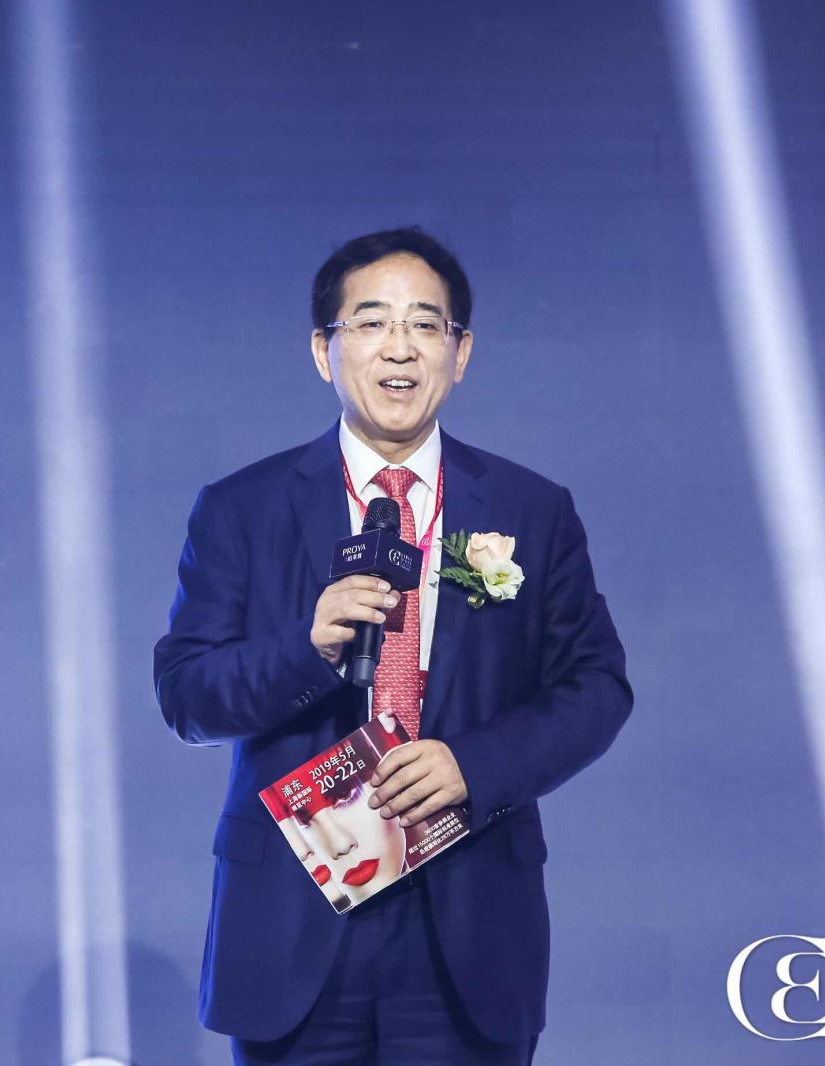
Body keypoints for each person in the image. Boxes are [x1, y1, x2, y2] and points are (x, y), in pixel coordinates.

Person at [154, 226, 632, 1064]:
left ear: (460, 351)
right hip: (298, 912)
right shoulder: (241, 508)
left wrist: (473, 765)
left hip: (468, 912)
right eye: (371, 322)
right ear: (323, 350)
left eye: (425, 325)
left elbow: (596, 688)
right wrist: (306, 650)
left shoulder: (529, 509)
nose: (400, 347)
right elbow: (188, 695)